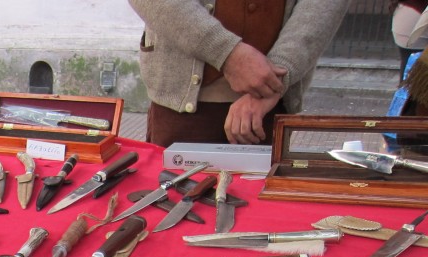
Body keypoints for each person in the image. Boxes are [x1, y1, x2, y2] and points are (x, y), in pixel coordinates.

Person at [128, 0, 350, 147]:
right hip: (180, 104)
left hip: (272, 107)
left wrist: (278, 75)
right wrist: (228, 54)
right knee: (172, 204)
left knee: (266, 213)